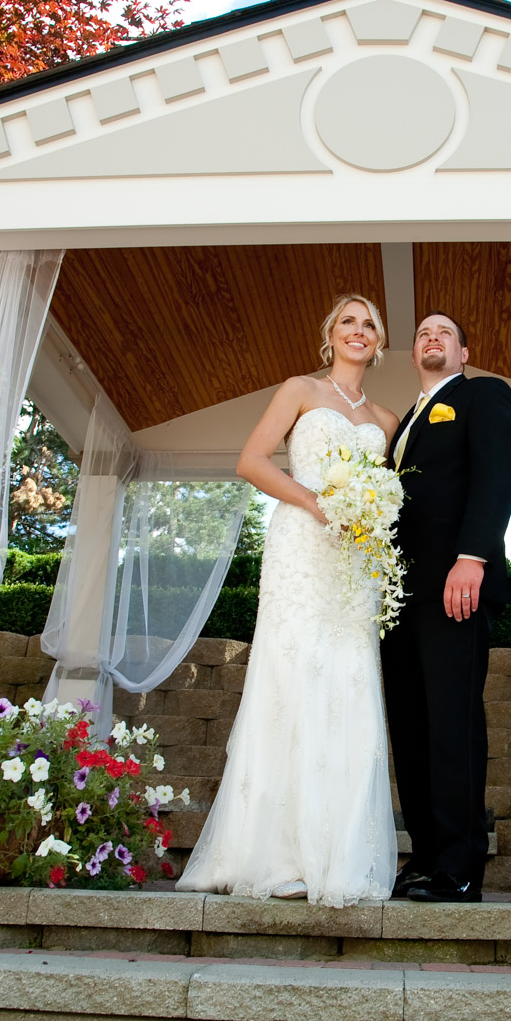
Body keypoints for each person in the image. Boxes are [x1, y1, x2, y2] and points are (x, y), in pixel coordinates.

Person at [175, 294, 401, 907]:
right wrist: (314, 502)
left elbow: (397, 494)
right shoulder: (300, 388)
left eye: (370, 324)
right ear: (330, 335)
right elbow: (250, 461)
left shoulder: (386, 420)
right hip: (303, 546)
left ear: (380, 342)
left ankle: (341, 857)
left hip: (355, 565)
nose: (359, 331)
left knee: (349, 685)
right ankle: (272, 857)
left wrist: (370, 517)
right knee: (292, 679)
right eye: (348, 322)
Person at [382, 313, 511, 903]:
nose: (431, 338)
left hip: (454, 589)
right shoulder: (403, 424)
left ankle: (461, 866)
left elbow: (498, 475)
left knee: (451, 723)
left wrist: (472, 557)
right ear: (414, 355)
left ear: (465, 350)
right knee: (410, 728)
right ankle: (426, 854)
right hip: (397, 597)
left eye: (443, 332)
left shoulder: (484, 395)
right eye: (422, 334)